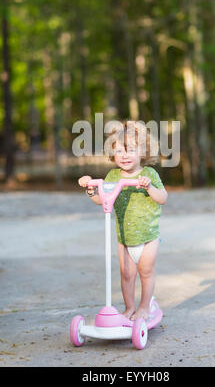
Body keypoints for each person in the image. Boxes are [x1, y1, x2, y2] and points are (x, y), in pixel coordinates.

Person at [78, 121, 168, 321]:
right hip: (124, 237)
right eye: (119, 151)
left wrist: (149, 188)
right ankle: (129, 308)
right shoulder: (113, 176)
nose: (124, 155)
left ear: (142, 152)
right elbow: (101, 200)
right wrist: (91, 188)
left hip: (148, 237)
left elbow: (163, 197)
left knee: (145, 271)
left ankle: (145, 307)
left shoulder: (149, 174)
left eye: (130, 150)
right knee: (127, 274)